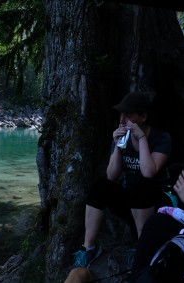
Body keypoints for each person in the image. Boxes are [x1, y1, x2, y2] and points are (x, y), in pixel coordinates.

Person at [76, 91, 173, 268]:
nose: (122, 120)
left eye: (128, 115)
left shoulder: (161, 138)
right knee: (100, 186)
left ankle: (143, 250)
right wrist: (118, 148)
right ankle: (88, 247)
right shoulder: (122, 138)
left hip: (157, 205)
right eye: (121, 115)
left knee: (140, 184)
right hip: (132, 201)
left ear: (143, 117)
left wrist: (142, 138)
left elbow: (148, 172)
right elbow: (111, 176)